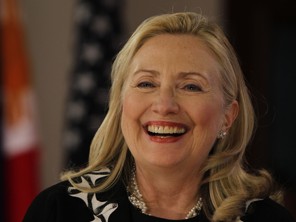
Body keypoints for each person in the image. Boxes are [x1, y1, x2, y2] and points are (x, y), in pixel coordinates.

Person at [24, 12, 295, 222]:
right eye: (146, 84)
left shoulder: (266, 219)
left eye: (191, 86)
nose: (164, 105)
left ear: (228, 115)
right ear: (120, 104)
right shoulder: (59, 211)